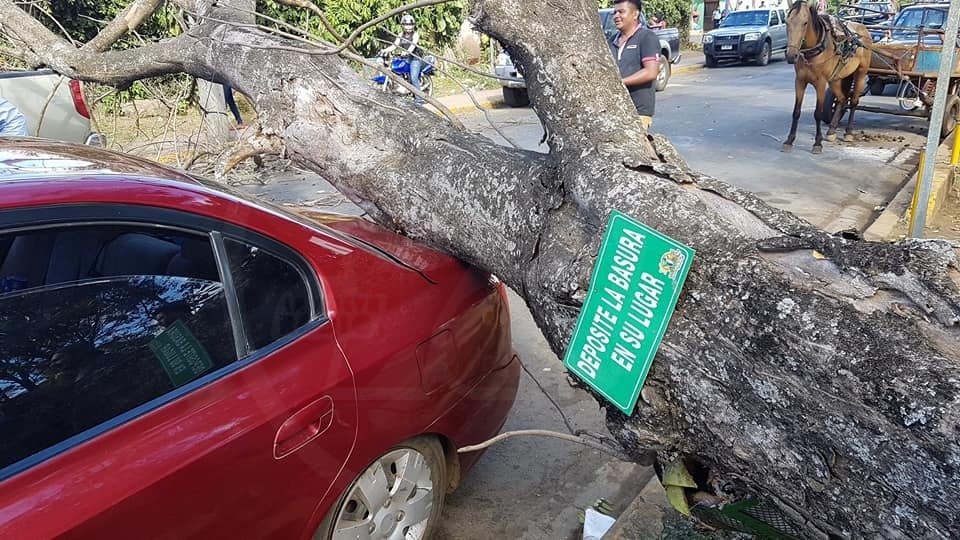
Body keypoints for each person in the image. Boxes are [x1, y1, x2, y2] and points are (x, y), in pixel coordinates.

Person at [609, 0, 661, 130]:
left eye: (621, 11)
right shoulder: (611, 41)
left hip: (638, 113)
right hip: (613, 112)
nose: (616, 16)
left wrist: (619, 83)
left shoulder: (647, 37)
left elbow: (651, 72)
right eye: (614, 12)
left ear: (635, 14)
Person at [382, 14, 425, 105]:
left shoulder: (415, 34)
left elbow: (413, 45)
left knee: (413, 78)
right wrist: (385, 50)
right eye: (406, 24)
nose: (409, 26)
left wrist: (407, 52)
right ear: (402, 25)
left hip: (415, 59)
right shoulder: (401, 35)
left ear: (413, 25)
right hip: (406, 58)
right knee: (397, 70)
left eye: (411, 24)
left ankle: (419, 99)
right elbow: (395, 45)